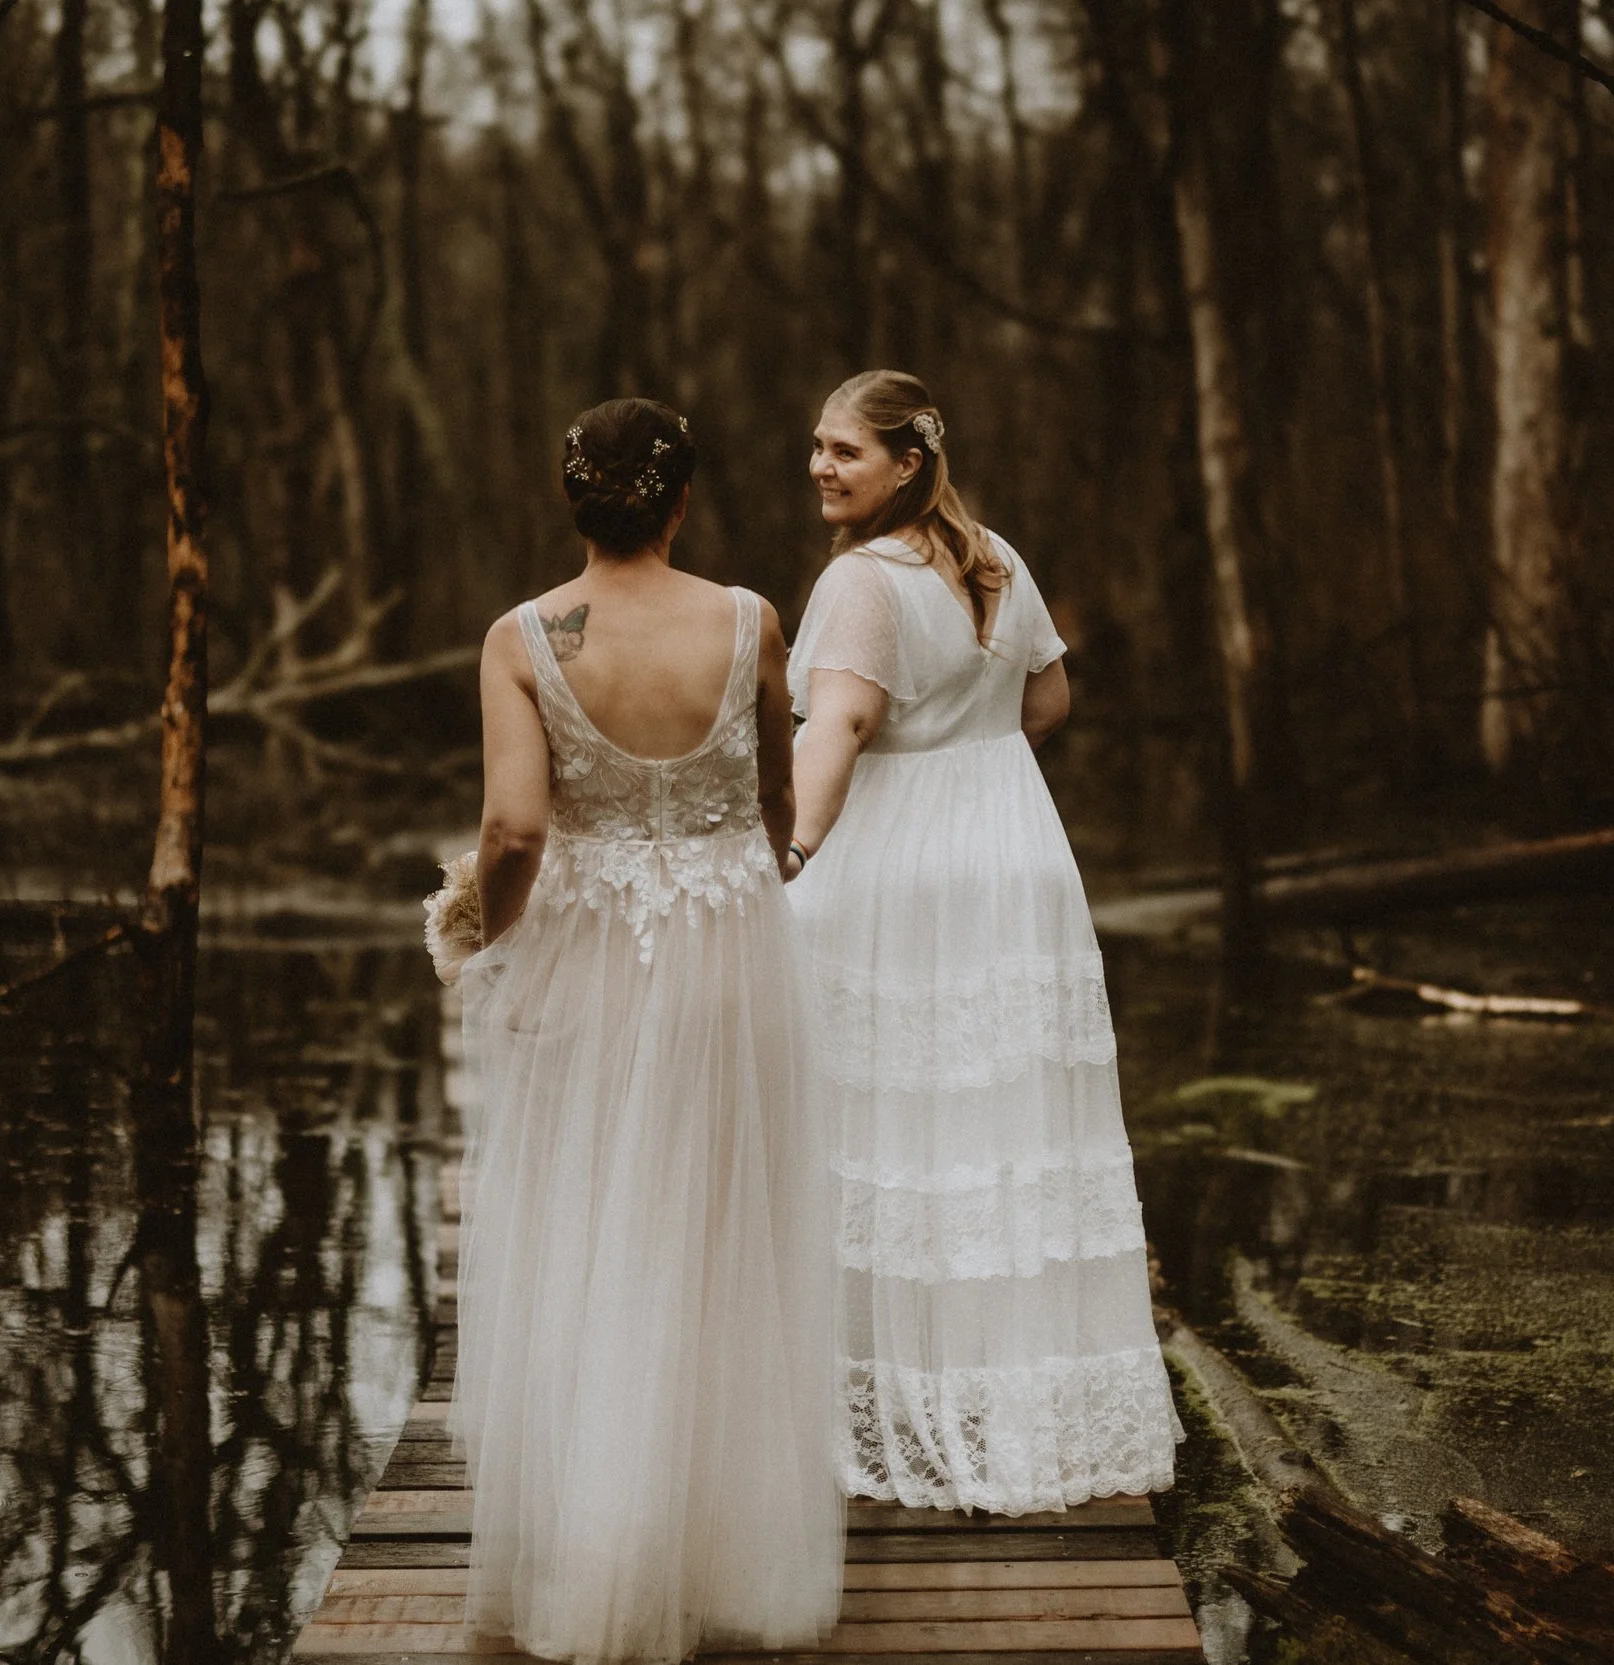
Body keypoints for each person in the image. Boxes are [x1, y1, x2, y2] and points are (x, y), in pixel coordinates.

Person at [451, 399, 841, 1663]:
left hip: (595, 960)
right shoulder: (749, 619)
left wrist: (485, 933)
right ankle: (729, 1556)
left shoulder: (522, 638)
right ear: (679, 501)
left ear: (574, 502)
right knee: (725, 1239)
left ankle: (601, 1552)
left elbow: (514, 831)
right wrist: (746, 872)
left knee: (590, 1234)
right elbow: (779, 800)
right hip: (734, 953)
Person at [786, 369, 1183, 1517]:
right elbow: (1049, 704)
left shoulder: (861, 581)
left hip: (899, 863)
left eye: (842, 452)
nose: (820, 466)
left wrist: (797, 846)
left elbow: (841, 728)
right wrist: (976, 759)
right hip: (1013, 857)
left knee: (892, 1114)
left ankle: (896, 1407)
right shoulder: (994, 555)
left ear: (906, 463)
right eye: (815, 447)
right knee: (996, 1123)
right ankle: (1003, 1403)